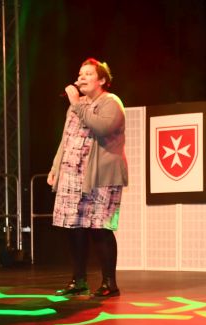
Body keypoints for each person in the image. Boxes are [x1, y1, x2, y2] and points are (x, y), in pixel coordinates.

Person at [47, 57, 128, 298]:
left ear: (102, 80)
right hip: (72, 175)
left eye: (88, 74)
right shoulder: (77, 105)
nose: (81, 78)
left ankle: (109, 283)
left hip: (100, 176)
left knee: (100, 228)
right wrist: (55, 168)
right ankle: (78, 280)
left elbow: (101, 128)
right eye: (80, 74)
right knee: (74, 228)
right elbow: (66, 138)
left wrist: (76, 104)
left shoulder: (111, 102)